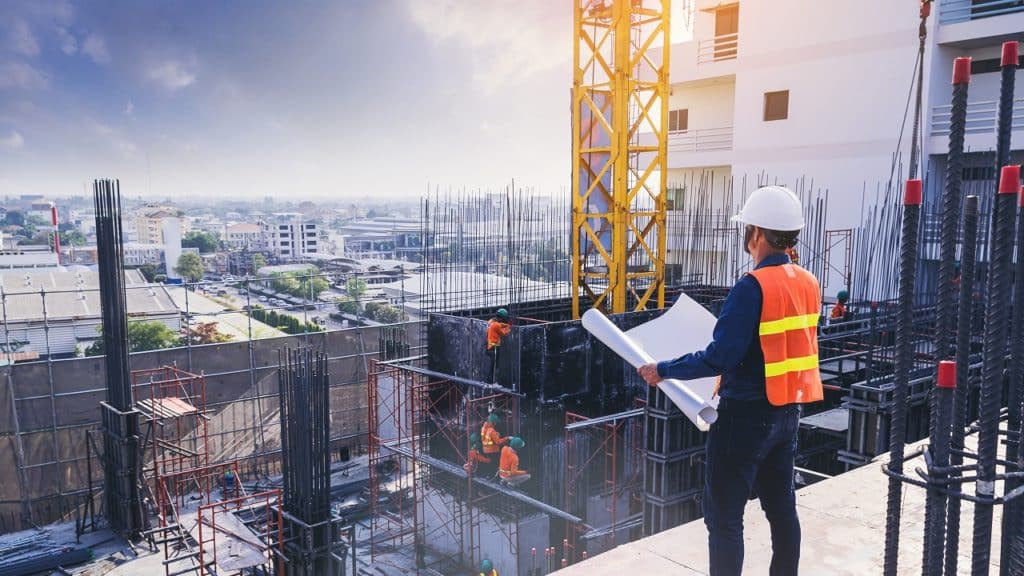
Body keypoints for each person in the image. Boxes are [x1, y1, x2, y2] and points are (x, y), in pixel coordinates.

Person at [637, 185, 824, 576]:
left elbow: (721, 356)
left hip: (744, 417)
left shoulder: (751, 287)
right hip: (788, 412)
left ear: (756, 232)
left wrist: (664, 368)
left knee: (723, 518)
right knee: (782, 509)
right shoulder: (808, 281)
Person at [486, 309, 512, 383]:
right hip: (494, 347)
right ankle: (492, 382)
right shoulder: (496, 325)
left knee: (492, 365)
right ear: (501, 318)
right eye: (504, 319)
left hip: (489, 346)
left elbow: (500, 325)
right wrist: (509, 327)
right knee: (494, 366)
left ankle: (491, 380)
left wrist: (506, 325)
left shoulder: (491, 321)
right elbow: (503, 333)